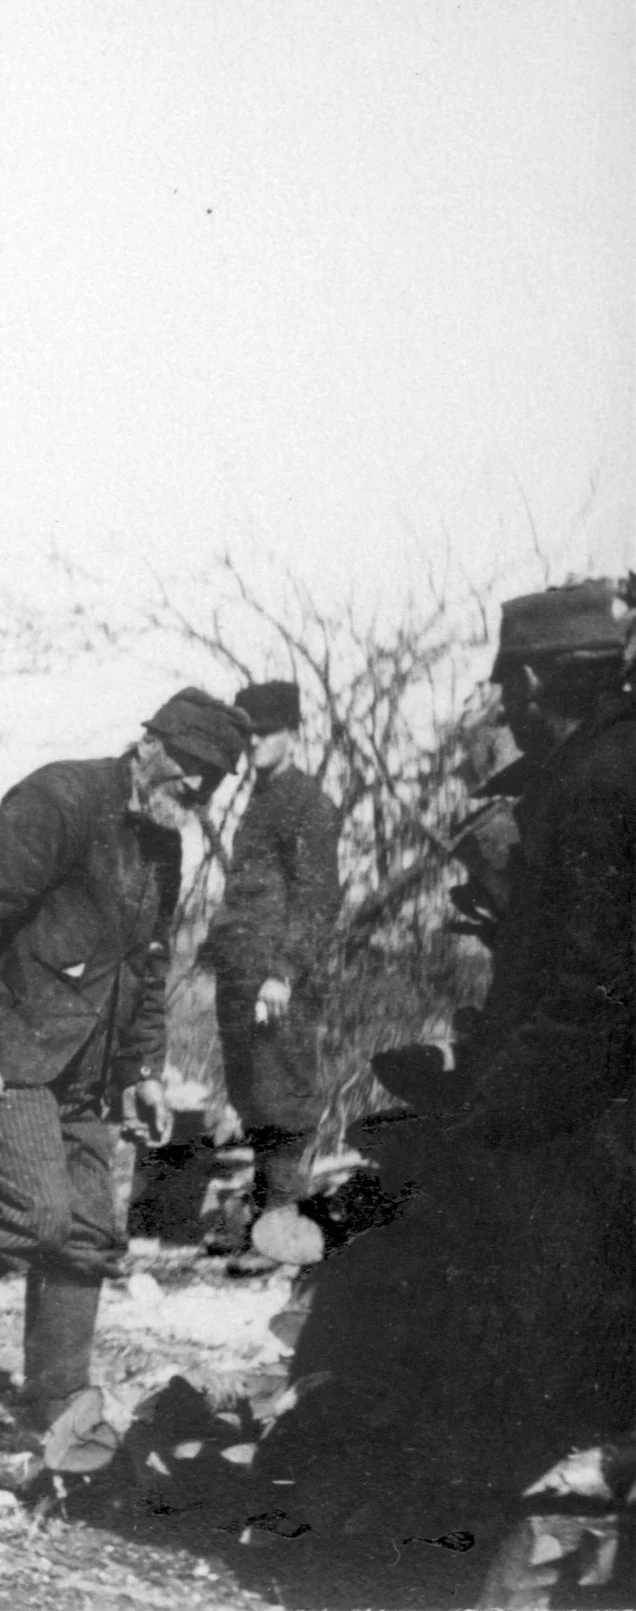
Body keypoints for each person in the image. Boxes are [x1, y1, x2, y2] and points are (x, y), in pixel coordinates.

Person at [268, 580, 635, 1559]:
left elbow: (587, 1002)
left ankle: (432, 1557)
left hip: (584, 1133)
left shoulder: (594, 783)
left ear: (525, 682)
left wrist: (485, 1116)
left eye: (505, 692)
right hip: (586, 1111)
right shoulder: (602, 765)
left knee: (513, 1338)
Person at [0, 688, 247, 1428]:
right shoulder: (61, 797)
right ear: (149, 742)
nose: (198, 785)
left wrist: (143, 1069)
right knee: (31, 1212)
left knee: (89, 1231)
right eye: (191, 764)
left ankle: (56, 1403)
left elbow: (146, 963)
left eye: (216, 777)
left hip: (80, 1065)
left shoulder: (165, 841)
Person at [201, 680, 342, 1264]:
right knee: (254, 1097)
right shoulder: (259, 800)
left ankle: (281, 1234)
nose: (254, 742)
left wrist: (282, 974)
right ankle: (264, 1223)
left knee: (281, 1099)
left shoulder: (307, 803)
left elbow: (316, 900)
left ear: (294, 733)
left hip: (277, 983)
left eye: (265, 732)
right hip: (242, 976)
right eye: (247, 732)